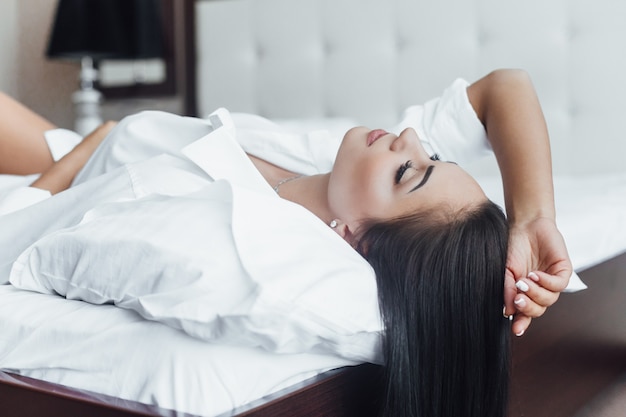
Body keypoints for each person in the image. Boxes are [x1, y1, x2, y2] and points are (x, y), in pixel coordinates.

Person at [0, 69, 573, 417]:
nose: (408, 138)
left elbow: (36, 231)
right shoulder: (328, 161)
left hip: (49, 182)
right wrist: (533, 217)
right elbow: (506, 86)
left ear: (354, 240)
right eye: (430, 157)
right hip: (67, 149)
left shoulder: (218, 219)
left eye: (407, 173)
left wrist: (84, 151)